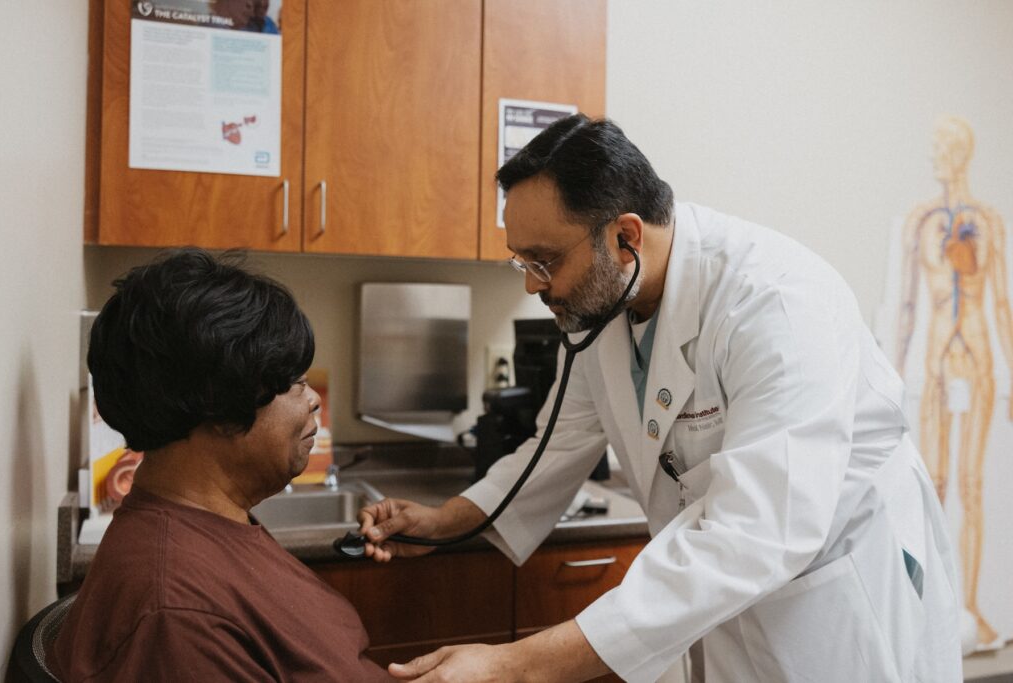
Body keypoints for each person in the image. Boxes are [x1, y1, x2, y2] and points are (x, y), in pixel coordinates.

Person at [358, 115, 963, 682]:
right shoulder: (609, 305)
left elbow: (757, 534)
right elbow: (553, 447)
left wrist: (516, 665)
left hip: (833, 593)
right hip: (726, 597)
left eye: (544, 261)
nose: (531, 284)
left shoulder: (775, 303)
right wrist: (443, 524)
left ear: (625, 236)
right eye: (522, 261)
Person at [49, 249, 390, 682]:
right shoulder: (174, 616)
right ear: (222, 406)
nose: (313, 399)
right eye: (296, 384)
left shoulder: (212, 527)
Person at [897, 115, 1011, 648]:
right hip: (938, 366)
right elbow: (907, 304)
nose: (933, 157)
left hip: (979, 363)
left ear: (960, 155)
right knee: (934, 485)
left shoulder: (989, 220)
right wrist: (895, 376)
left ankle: (970, 607)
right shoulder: (918, 221)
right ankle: (935, 610)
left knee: (972, 484)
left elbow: (1003, 304)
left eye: (942, 148)